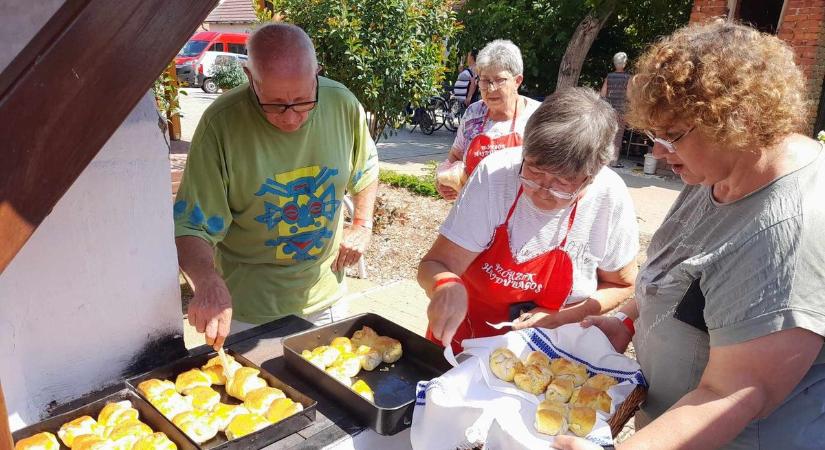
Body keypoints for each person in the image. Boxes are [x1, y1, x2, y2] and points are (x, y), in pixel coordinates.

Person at [553, 21, 825, 450]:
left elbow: (733, 393)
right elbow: (680, 276)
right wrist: (627, 318)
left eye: (672, 136)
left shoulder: (789, 230)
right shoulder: (716, 171)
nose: (658, 152)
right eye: (653, 135)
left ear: (740, 119)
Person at [173, 23, 379, 350]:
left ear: (316, 74)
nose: (291, 118)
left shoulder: (342, 104)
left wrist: (363, 224)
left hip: (326, 299)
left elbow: (366, 166)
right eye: (275, 104)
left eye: (302, 101)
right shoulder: (221, 125)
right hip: (248, 310)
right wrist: (207, 281)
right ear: (249, 77)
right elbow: (190, 226)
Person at [420, 87, 640, 352]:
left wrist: (561, 317)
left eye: (563, 182)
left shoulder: (609, 197)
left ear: (592, 175)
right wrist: (446, 284)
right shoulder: (496, 174)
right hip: (466, 339)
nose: (542, 191)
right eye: (534, 170)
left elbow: (622, 283)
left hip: (547, 355)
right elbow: (434, 264)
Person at [436, 40, 542, 200]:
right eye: (484, 80)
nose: (490, 89)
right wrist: (444, 181)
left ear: (517, 81)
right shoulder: (473, 113)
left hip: (520, 211)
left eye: (499, 80)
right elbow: (455, 156)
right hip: (476, 208)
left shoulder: (538, 117)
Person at [600, 52, 631, 168]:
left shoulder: (609, 76)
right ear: (624, 63)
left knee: (607, 134)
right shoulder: (628, 78)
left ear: (614, 63)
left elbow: (602, 93)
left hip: (609, 110)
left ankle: (603, 160)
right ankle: (613, 161)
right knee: (617, 136)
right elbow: (629, 95)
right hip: (621, 111)